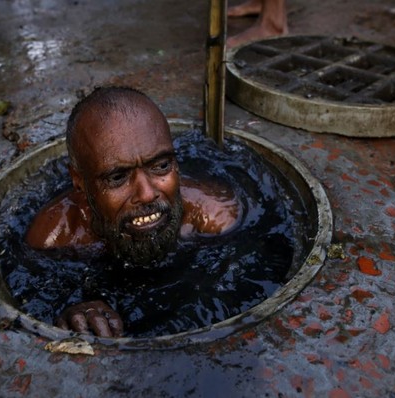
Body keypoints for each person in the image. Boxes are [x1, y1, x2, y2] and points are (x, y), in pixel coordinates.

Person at [25, 86, 241, 337]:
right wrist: (72, 309)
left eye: (161, 166)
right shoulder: (55, 238)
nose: (147, 194)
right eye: (117, 177)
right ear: (80, 183)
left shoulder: (214, 215)